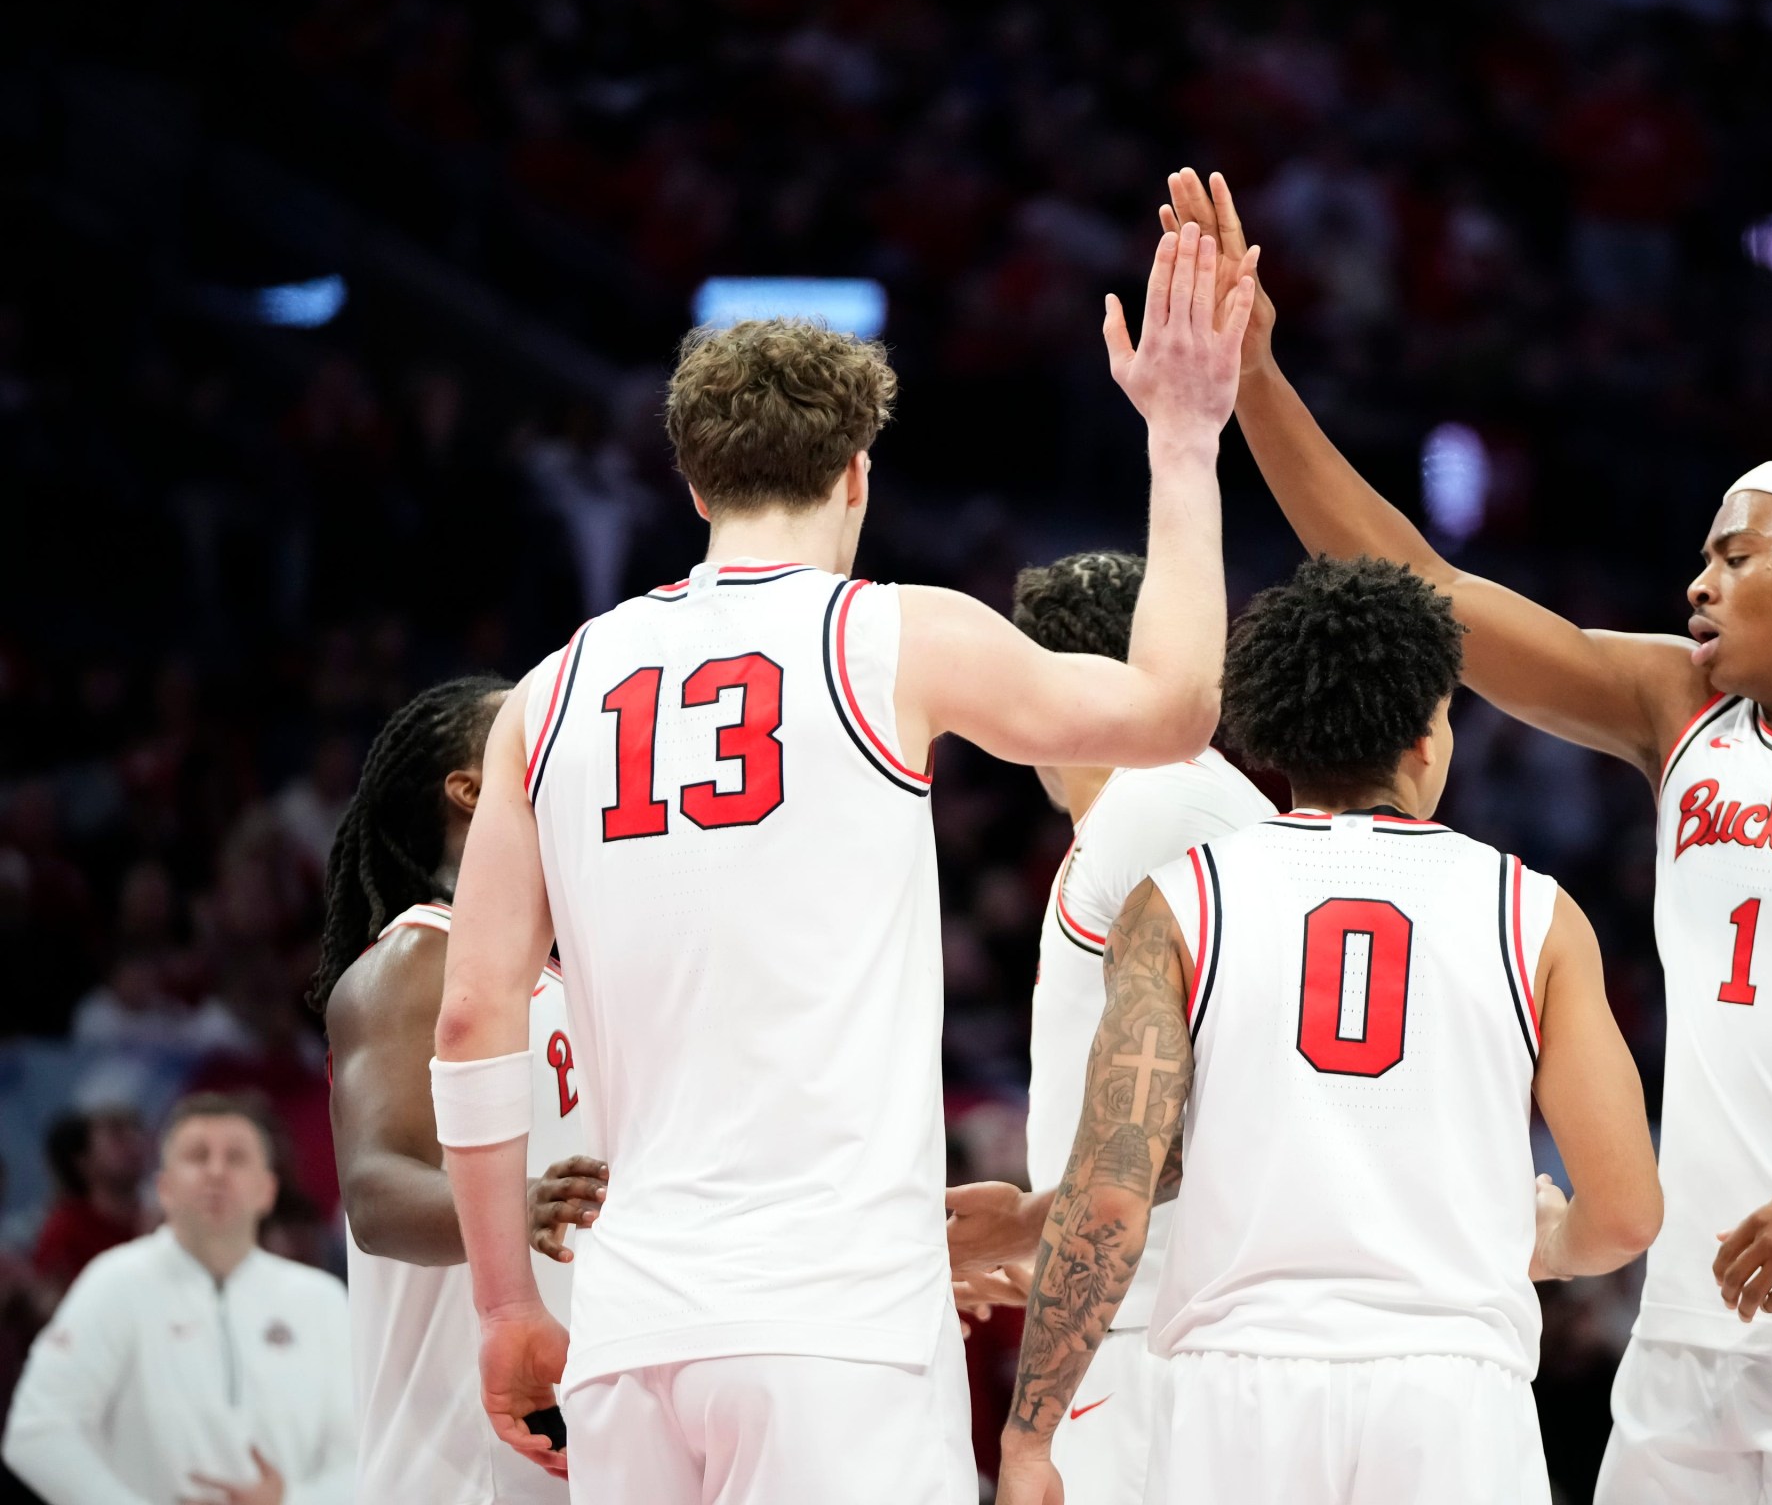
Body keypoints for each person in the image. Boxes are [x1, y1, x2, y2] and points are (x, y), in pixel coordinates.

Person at [1158, 166, 1772, 1503]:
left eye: (1735, 557)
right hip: (1691, 1328)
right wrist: (1259, 382)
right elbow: (1420, 586)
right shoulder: (1675, 709)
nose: (1698, 582)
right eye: (1700, 558)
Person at [431, 224, 1254, 1505]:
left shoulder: (544, 696)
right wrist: (1186, 437)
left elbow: (476, 1013)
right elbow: (1173, 707)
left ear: (693, 487)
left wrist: (501, 1308)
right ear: (859, 477)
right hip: (836, 1325)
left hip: (634, 1316)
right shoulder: (893, 636)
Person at [994, 555, 1663, 1505]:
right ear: (1430, 736)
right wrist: (1549, 1242)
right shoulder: (1535, 914)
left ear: (1275, 727)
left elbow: (1112, 1194)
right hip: (1452, 1393)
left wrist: (1030, 1436)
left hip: (1241, 1391)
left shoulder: (1180, 902)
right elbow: (1628, 1213)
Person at [944, 549, 1274, 1503]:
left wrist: (1037, 1227)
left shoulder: (1164, 804)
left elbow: (1227, 1109)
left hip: (1164, 1329)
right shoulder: (1144, 809)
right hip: (1139, 1313)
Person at [310, 677, 605, 1505]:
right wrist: (510, 1204)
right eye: (529, 723)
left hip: (591, 1440)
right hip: (461, 1464)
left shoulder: (577, 972)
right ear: (470, 787)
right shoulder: (415, 960)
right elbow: (374, 1195)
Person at [3, 1094, 355, 1505]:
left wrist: (291, 1501)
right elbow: (36, 1432)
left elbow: (365, 1449)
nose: (216, 1172)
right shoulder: (115, 1283)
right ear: (164, 1187)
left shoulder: (320, 1300)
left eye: (237, 1157)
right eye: (197, 1156)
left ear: (267, 1189)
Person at [29, 1107, 146, 1289]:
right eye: (117, 1136)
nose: (135, 1141)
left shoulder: (168, 1211)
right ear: (83, 1162)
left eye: (136, 1130)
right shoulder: (63, 1235)